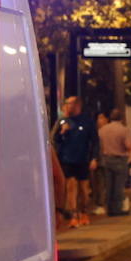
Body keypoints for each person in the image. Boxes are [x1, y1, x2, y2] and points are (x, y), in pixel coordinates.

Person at [53, 95, 96, 227]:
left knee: (83, 189)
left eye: (70, 103)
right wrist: (62, 132)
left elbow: (94, 141)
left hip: (83, 159)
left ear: (77, 105)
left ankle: (84, 212)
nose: (67, 106)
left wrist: (94, 158)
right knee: (71, 187)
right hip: (67, 159)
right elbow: (54, 139)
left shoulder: (87, 121)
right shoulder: (62, 121)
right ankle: (74, 215)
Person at [98, 107, 131, 217]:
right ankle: (117, 209)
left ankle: (110, 208)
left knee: (108, 185)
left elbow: (100, 146)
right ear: (121, 118)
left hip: (106, 159)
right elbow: (128, 146)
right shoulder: (124, 129)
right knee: (118, 186)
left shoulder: (102, 130)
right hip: (119, 159)